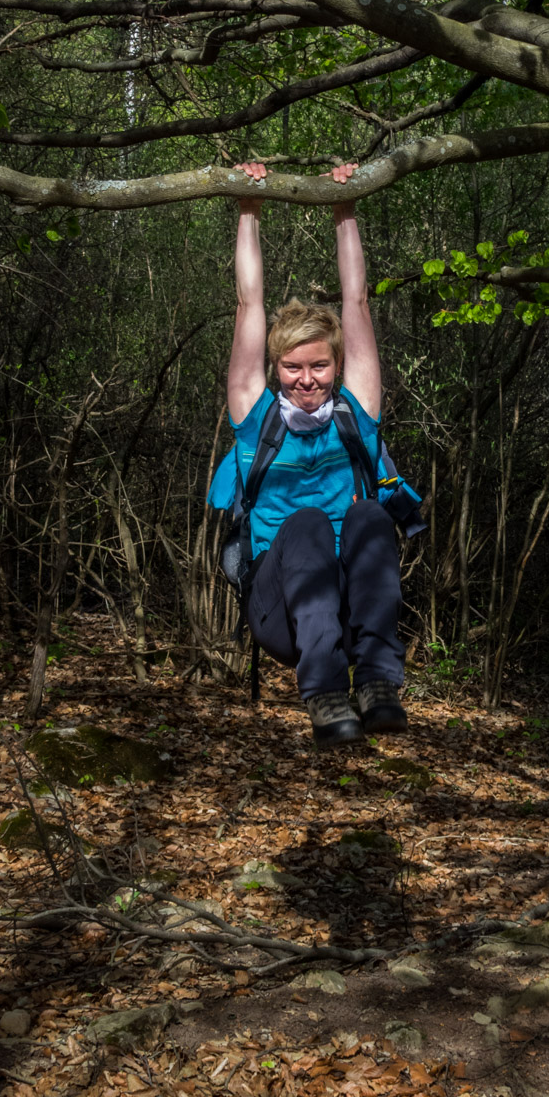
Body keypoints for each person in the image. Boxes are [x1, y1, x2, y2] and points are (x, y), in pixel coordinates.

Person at [225, 159, 408, 748]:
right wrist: (248, 207)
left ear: (336, 366)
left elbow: (354, 303)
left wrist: (345, 207)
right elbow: (249, 305)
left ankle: (379, 685)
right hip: (281, 611)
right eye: (293, 367)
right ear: (276, 369)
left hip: (351, 603)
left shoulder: (356, 416)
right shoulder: (258, 421)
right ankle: (326, 693)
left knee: (370, 513)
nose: (307, 379)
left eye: (320, 365)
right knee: (303, 522)